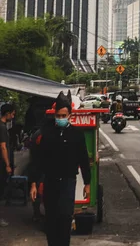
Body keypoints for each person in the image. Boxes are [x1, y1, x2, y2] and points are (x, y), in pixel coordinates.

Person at [30, 91, 91, 246]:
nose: (61, 119)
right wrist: (34, 183)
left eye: (64, 116)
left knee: (64, 218)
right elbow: (37, 160)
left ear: (70, 115)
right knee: (51, 219)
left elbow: (83, 159)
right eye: (58, 116)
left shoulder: (77, 134)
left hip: (68, 182)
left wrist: (87, 182)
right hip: (50, 181)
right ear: (55, 115)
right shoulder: (47, 132)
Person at [0, 103, 16, 228]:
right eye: (13, 114)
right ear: (7, 114)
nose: (13, 116)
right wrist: (7, 164)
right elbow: (3, 147)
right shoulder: (2, 128)